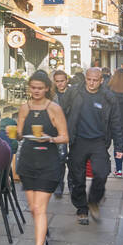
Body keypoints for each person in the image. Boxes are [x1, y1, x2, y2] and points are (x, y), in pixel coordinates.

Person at [10, 71, 68, 245]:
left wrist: (49, 138)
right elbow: (19, 135)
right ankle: (42, 238)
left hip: (48, 162)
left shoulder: (54, 108)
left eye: (40, 88)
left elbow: (64, 137)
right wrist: (14, 133)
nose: (36, 91)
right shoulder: (24, 107)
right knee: (33, 208)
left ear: (46, 89)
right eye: (33, 87)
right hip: (27, 161)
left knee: (40, 208)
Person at [64, 66, 123, 226]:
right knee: (77, 177)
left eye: (95, 80)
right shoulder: (74, 93)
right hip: (78, 140)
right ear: (85, 79)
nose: (91, 83)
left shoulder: (108, 97)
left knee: (102, 173)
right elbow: (62, 111)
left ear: (101, 80)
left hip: (99, 141)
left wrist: (119, 147)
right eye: (89, 79)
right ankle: (82, 209)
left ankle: (93, 201)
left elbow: (116, 122)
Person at [51, 70, 73, 198]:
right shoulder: (52, 95)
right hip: (59, 131)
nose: (60, 84)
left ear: (67, 80)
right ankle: (59, 185)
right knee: (60, 159)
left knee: (74, 159)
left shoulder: (73, 93)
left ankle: (72, 185)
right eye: (57, 81)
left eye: (62, 81)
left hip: (73, 129)